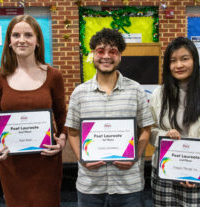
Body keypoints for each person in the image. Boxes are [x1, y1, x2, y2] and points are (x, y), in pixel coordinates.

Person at [66, 28, 154, 207]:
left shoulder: (136, 90)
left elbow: (146, 129)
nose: (106, 56)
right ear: (93, 54)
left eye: (112, 51)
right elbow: (73, 132)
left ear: (120, 56)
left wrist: (135, 156)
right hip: (91, 184)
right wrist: (82, 158)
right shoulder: (79, 93)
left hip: (128, 184)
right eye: (100, 51)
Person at [0, 15, 67, 207]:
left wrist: (62, 141)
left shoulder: (54, 75)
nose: (22, 40)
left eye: (28, 35)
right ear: (9, 42)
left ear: (38, 41)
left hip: (45, 160)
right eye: (16, 35)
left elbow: (62, 116)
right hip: (11, 161)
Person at [149, 37, 200, 206]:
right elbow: (150, 129)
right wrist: (164, 135)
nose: (178, 65)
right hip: (165, 172)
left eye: (184, 59)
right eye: (173, 61)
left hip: (197, 174)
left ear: (194, 60)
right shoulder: (159, 94)